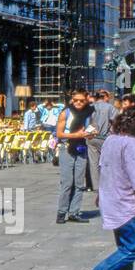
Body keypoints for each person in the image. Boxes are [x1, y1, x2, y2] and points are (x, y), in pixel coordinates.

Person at [81, 112, 135, 270]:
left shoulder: (110, 140)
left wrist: (100, 194)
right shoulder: (131, 144)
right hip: (127, 204)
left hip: (111, 200)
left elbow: (103, 168)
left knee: (125, 246)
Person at [55, 90, 95, 223]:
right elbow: (59, 134)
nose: (78, 102)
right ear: (72, 100)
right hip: (66, 148)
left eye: (81, 100)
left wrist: (91, 133)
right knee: (67, 182)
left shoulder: (90, 112)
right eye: (76, 100)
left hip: (81, 147)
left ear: (86, 100)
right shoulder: (65, 113)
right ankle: (61, 212)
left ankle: (74, 212)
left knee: (79, 183)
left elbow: (90, 128)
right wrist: (76, 135)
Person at [87, 89, 116, 199]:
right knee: (106, 162)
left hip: (90, 137)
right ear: (105, 97)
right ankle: (106, 185)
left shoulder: (90, 107)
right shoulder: (110, 107)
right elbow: (116, 121)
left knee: (93, 162)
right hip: (104, 138)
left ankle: (96, 186)